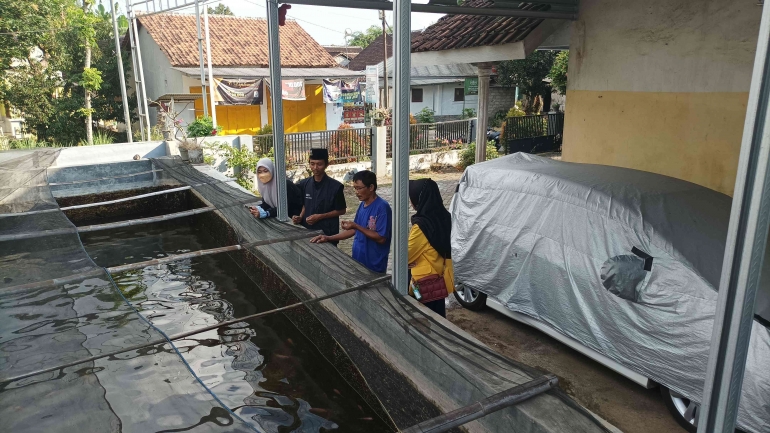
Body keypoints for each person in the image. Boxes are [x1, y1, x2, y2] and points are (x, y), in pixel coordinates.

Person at [310, 170, 391, 273]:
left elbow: (381, 238)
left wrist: (356, 226)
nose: (356, 192)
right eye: (355, 188)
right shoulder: (362, 205)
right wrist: (328, 238)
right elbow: (353, 230)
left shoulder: (382, 207)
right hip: (358, 261)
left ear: (371, 187)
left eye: (359, 188)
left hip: (374, 265)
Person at [408, 178, 455, 318]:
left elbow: (404, 255)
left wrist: (408, 262)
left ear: (418, 199)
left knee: (424, 320)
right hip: (439, 279)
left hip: (423, 283)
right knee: (438, 317)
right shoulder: (444, 217)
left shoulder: (422, 226)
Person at [293, 148, 347, 245]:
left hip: (327, 234)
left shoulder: (336, 187)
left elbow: (342, 210)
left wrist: (321, 216)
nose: (315, 168)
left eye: (319, 164)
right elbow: (305, 204)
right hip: (307, 232)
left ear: (327, 165)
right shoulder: (304, 184)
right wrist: (300, 217)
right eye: (312, 164)